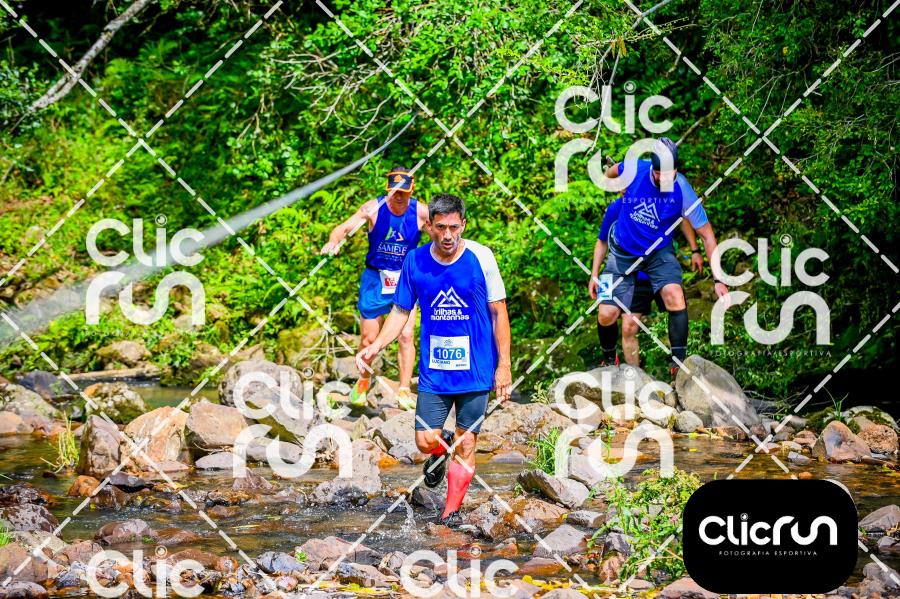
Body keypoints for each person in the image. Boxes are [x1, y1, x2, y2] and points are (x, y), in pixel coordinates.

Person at [355, 193, 512, 527]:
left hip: (476, 368)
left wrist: (504, 366)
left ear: (463, 225)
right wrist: (376, 345)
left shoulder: (481, 257)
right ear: (430, 227)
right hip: (435, 371)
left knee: (467, 444)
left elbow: (499, 313)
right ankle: (442, 449)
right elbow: (401, 311)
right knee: (426, 441)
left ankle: (449, 514)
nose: (447, 235)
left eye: (454, 227)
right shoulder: (414, 261)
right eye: (440, 227)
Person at [592, 137, 728, 379]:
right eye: (658, 174)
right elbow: (609, 173)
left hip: (658, 252)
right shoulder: (635, 168)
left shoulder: (683, 190)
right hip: (622, 251)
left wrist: (718, 279)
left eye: (669, 174)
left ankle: (678, 365)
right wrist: (617, 186)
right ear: (652, 169)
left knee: (675, 296)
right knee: (605, 314)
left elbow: (707, 236)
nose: (663, 179)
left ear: (676, 169)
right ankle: (609, 358)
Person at [321, 167, 428, 410]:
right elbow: (343, 229)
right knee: (369, 338)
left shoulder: (421, 212)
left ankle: (404, 390)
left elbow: (442, 233)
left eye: (403, 193)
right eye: (394, 192)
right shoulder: (374, 208)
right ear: (388, 190)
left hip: (404, 279)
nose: (398, 197)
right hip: (375, 279)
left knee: (406, 335)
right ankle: (363, 382)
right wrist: (333, 242)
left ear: (411, 190)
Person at [590, 196, 704, 366]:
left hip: (656, 269)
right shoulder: (616, 208)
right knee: (625, 324)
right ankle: (623, 368)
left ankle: (678, 363)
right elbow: (602, 241)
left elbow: (682, 217)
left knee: (676, 302)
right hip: (629, 274)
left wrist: (695, 250)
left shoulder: (658, 202)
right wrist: (594, 274)